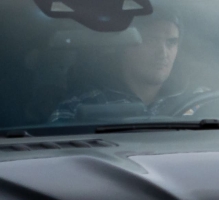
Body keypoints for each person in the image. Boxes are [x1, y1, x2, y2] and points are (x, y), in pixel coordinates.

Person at [51, 15, 187, 122]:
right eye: (151, 41)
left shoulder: (199, 103)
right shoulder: (78, 109)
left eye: (171, 42)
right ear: (125, 46)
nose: (163, 53)